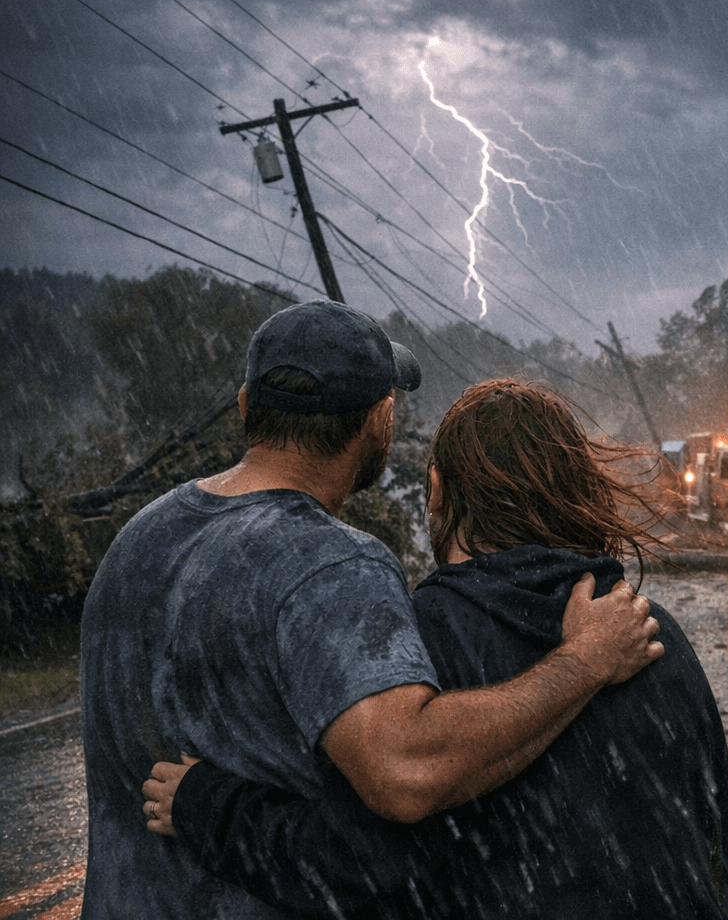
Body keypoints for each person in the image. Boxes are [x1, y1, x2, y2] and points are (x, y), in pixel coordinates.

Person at [81, 301, 662, 920]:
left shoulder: (139, 538)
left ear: (247, 405)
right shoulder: (332, 563)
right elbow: (404, 773)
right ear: (380, 422)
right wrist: (583, 662)